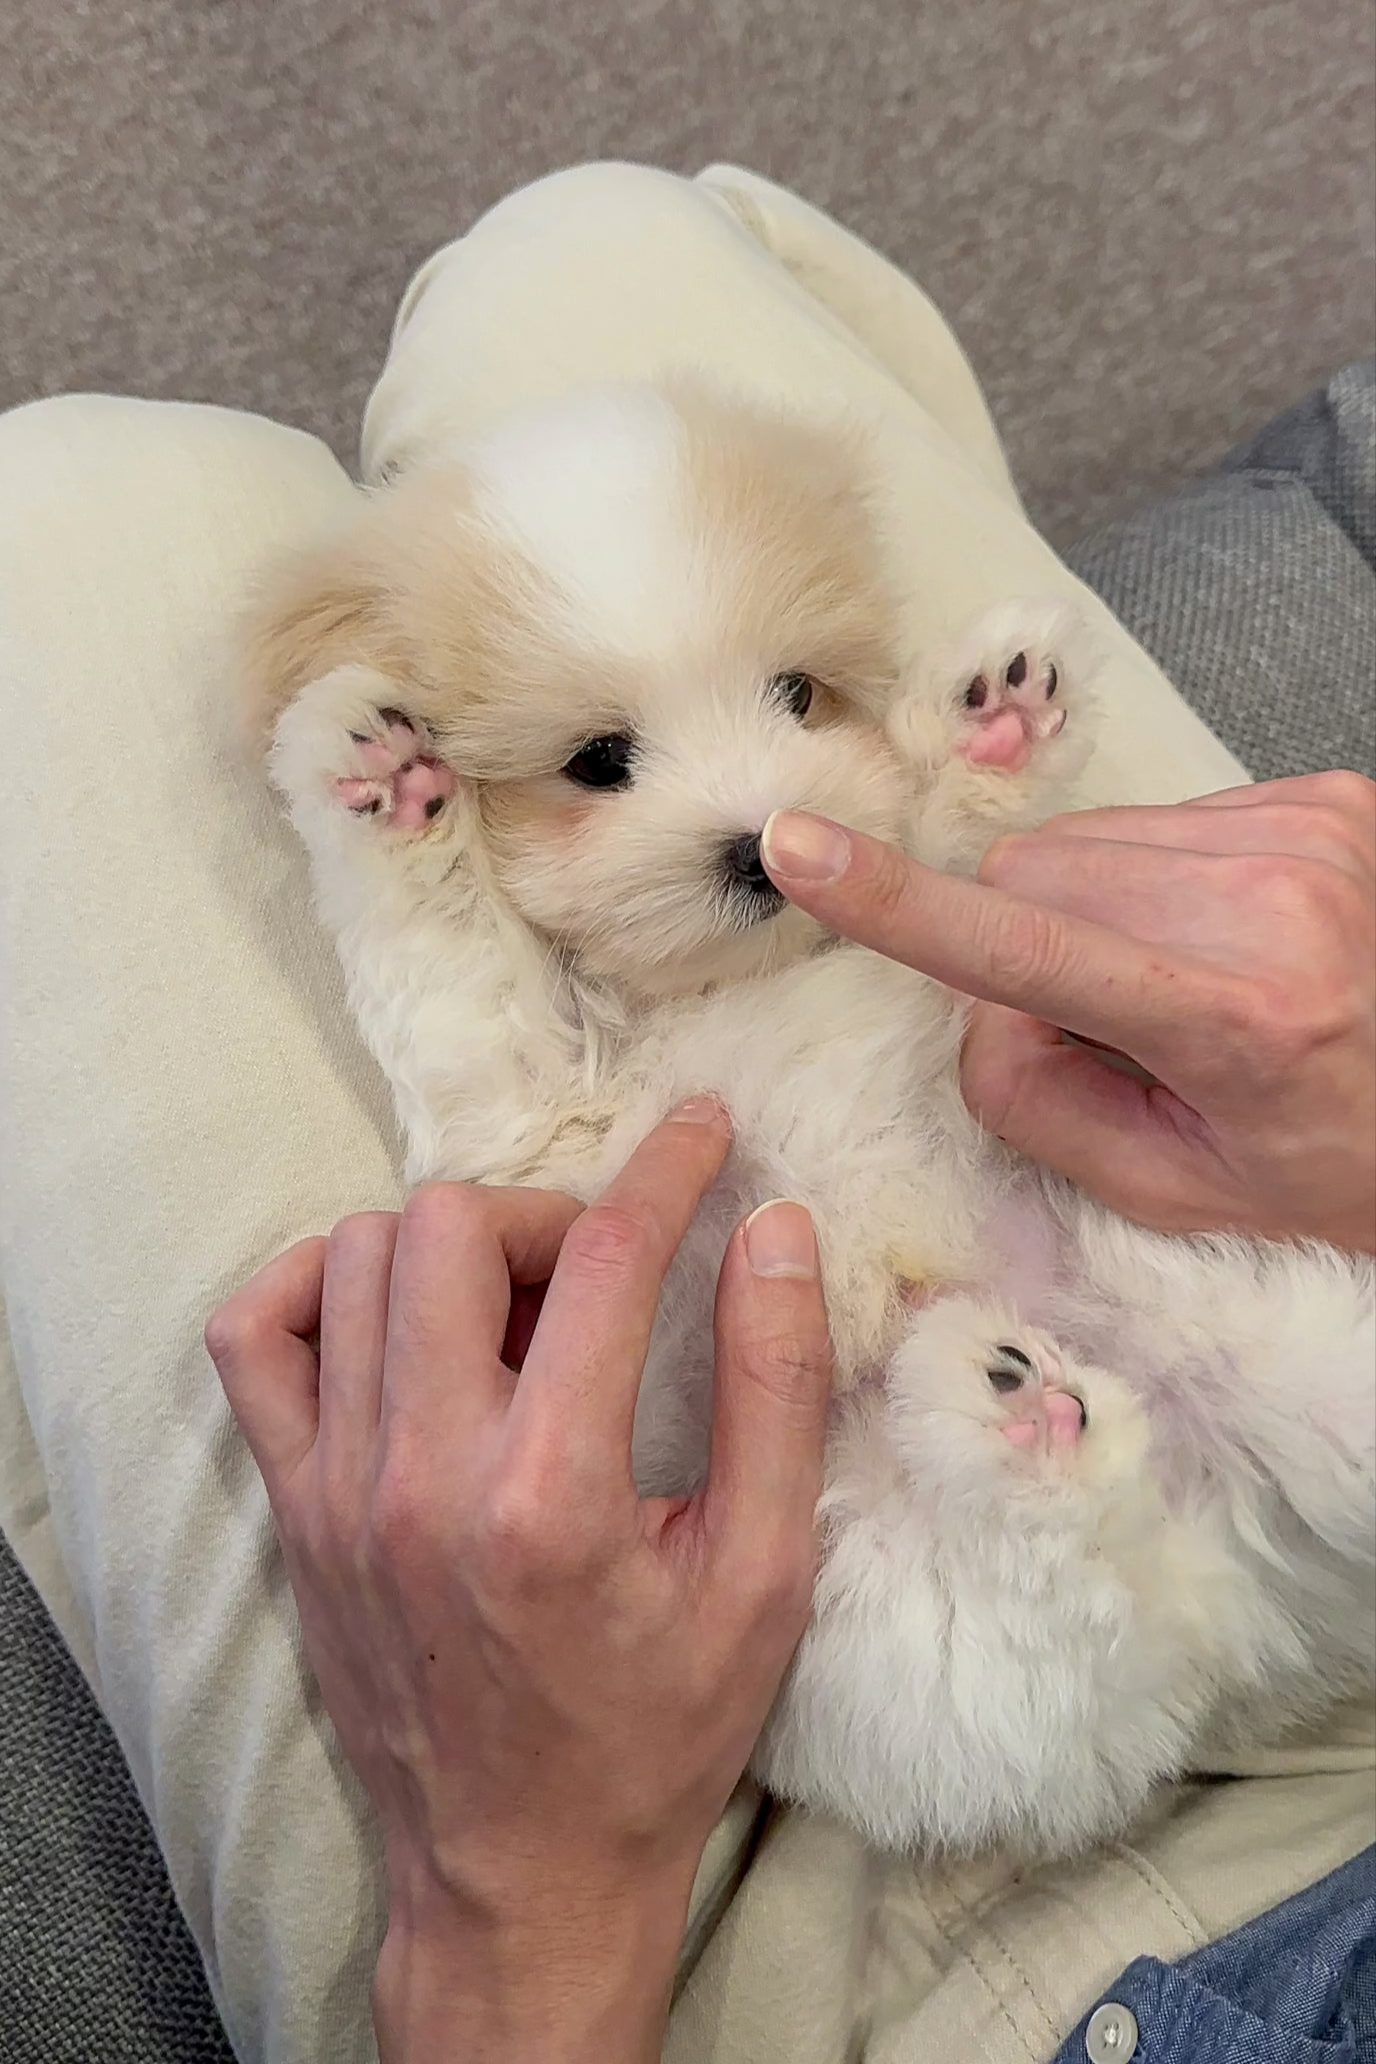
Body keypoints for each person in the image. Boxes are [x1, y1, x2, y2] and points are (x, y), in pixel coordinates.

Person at [207, 764, 1376, 2062]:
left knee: (898, 1692)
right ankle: (1055, 1519)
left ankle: (1050, 1534)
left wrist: (506, 1919)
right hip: (1124, 1287)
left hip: (874, 1654)